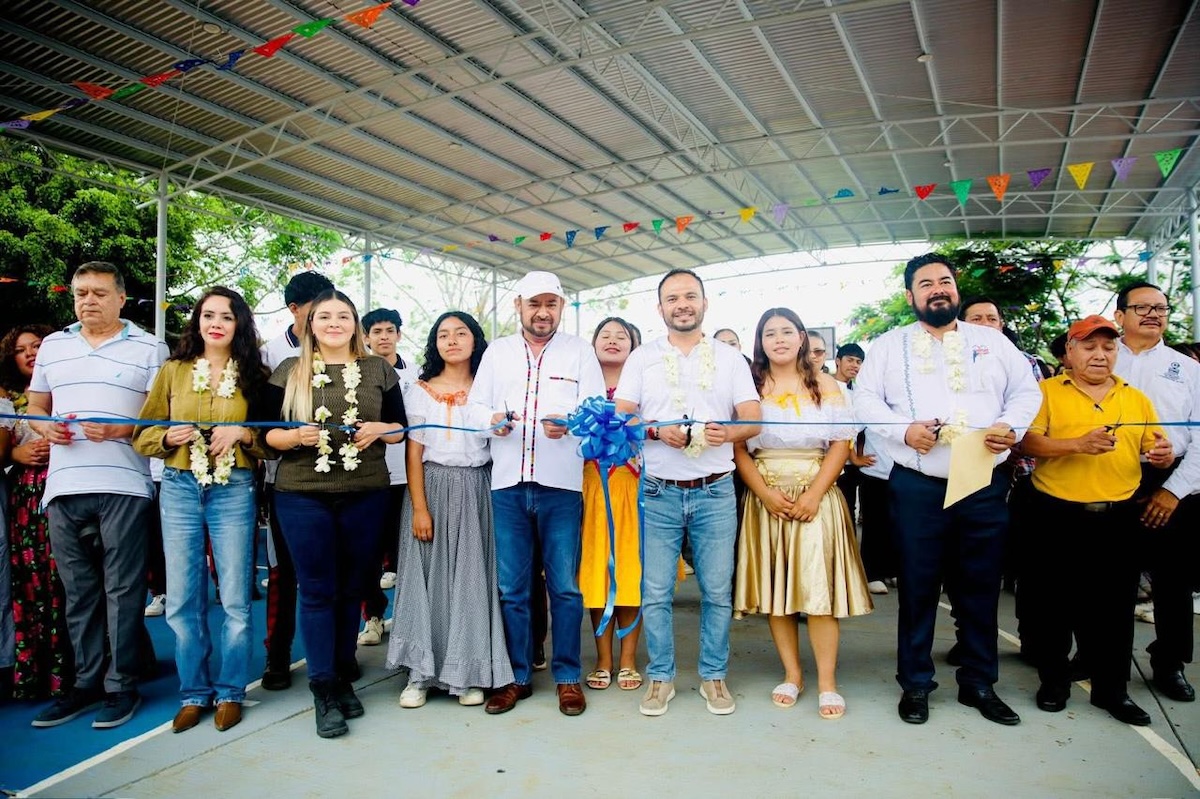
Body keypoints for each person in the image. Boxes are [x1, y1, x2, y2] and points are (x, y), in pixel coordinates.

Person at [853, 253, 1041, 726]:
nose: (938, 289)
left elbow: (1027, 391)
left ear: (955, 289)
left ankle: (979, 683)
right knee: (918, 587)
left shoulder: (991, 341)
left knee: (980, 587)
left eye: (945, 281)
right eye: (926, 283)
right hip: (918, 484)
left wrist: (1009, 425)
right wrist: (902, 429)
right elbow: (865, 399)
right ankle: (916, 684)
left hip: (982, 481)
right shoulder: (887, 346)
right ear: (910, 296)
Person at [26, 261, 169, 729]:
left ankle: (120, 684)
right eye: (81, 292)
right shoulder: (54, 345)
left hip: (125, 483)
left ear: (121, 298)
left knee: (124, 589)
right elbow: (36, 404)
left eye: (99, 293)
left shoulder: (150, 347)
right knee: (78, 591)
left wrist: (119, 429)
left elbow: (160, 420)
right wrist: (43, 425)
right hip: (63, 484)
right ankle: (85, 684)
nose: (89, 300)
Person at [615, 268, 761, 717]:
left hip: (715, 491)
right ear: (660, 308)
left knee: (717, 591)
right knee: (655, 590)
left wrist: (728, 431)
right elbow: (621, 418)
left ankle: (713, 677)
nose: (682, 304)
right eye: (673, 298)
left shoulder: (729, 358)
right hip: (658, 492)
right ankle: (661, 677)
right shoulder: (642, 358)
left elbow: (754, 419)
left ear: (704, 303)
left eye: (690, 296)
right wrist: (657, 431)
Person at [263, 289, 407, 739]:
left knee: (352, 587)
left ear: (355, 324)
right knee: (318, 589)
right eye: (324, 316)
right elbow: (264, 434)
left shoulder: (379, 369)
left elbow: (400, 429)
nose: (334, 323)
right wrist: (293, 438)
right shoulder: (289, 370)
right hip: (302, 494)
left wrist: (383, 429)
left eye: (343, 315)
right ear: (310, 324)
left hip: (366, 492)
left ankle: (343, 675)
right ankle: (323, 688)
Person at [1020, 315, 1174, 725]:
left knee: (1114, 609)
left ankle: (1113, 692)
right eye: (1089, 347)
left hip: (1118, 517)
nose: (1099, 355)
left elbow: (1156, 445)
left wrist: (1162, 454)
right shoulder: (1046, 391)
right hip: (1056, 513)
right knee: (1053, 604)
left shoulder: (1135, 398)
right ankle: (1054, 682)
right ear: (1069, 352)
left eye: (1108, 347)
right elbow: (1027, 442)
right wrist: (1075, 444)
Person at [134, 287, 271, 733]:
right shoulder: (173, 371)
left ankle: (231, 690)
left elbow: (270, 441)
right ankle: (194, 693)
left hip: (234, 486)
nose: (215, 323)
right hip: (178, 484)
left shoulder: (255, 374)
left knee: (234, 596)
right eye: (207, 315)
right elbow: (143, 434)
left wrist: (243, 435)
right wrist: (167, 438)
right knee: (182, 596)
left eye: (226, 317)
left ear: (239, 325)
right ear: (196, 321)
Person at [471, 271, 604, 718]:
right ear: (519, 306)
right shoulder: (497, 352)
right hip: (507, 483)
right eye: (535, 304)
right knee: (512, 588)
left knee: (565, 587)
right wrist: (493, 419)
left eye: (552, 304)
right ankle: (517, 676)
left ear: (562, 307)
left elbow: (596, 413)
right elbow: (475, 408)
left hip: (561, 486)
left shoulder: (580, 352)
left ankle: (568, 677)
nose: (543, 312)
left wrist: (571, 425)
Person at [733, 308, 871, 718]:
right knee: (778, 594)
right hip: (767, 494)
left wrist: (814, 493)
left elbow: (840, 443)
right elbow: (738, 446)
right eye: (769, 333)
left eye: (786, 332)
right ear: (760, 342)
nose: (779, 339)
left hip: (817, 494)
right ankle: (792, 674)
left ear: (800, 338)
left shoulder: (826, 384)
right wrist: (764, 494)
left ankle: (828, 681)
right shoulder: (749, 386)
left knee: (819, 593)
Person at [386, 311, 511, 708]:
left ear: (476, 340)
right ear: (434, 344)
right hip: (432, 488)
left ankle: (468, 672)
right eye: (443, 334)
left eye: (461, 333)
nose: (452, 340)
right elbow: (414, 452)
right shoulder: (419, 391)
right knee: (425, 578)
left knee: (473, 580)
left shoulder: (490, 390)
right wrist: (419, 508)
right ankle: (420, 674)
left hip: (478, 488)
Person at [1113, 282, 1200, 703]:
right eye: (1141, 307)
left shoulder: (1188, 369)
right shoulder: (1102, 361)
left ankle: (1170, 663)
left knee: (1173, 582)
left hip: (1171, 483)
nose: (1153, 314)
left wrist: (1174, 491)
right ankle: (1100, 658)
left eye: (1160, 308)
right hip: (1108, 479)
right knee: (1107, 579)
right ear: (1120, 316)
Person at [259, 270, 334, 690]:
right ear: (295, 310)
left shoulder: (345, 351)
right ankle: (278, 655)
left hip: (338, 484)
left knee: (331, 574)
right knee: (284, 572)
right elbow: (260, 425)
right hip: (283, 483)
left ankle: (336, 658)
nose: (326, 319)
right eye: (316, 312)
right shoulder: (272, 356)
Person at [1, 325, 74, 701]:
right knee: (33, 582)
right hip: (27, 497)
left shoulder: (69, 385)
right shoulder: (8, 399)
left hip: (66, 487)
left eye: (36, 346)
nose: (30, 353)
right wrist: (15, 454)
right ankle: (38, 670)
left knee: (70, 578)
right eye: (21, 349)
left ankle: (79, 667)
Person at [580, 317, 644, 692]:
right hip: (590, 488)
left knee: (629, 572)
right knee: (595, 573)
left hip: (631, 489)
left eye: (623, 335)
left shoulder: (645, 383)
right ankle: (603, 659)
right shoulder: (581, 384)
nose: (614, 340)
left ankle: (629, 661)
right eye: (605, 334)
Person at [358, 307, 417, 647]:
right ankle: (373, 619)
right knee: (368, 554)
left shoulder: (418, 375)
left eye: (389, 330)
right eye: (376, 331)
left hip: (409, 478)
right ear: (365, 337)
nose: (383, 336)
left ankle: (408, 617)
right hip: (372, 477)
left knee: (408, 554)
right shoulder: (359, 373)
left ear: (399, 334)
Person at [833, 342, 866, 523]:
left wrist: (858, 456)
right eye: (850, 360)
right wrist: (853, 456)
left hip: (851, 465)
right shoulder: (826, 387)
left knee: (849, 510)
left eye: (859, 362)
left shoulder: (859, 393)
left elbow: (859, 431)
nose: (854, 365)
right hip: (832, 460)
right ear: (838, 361)